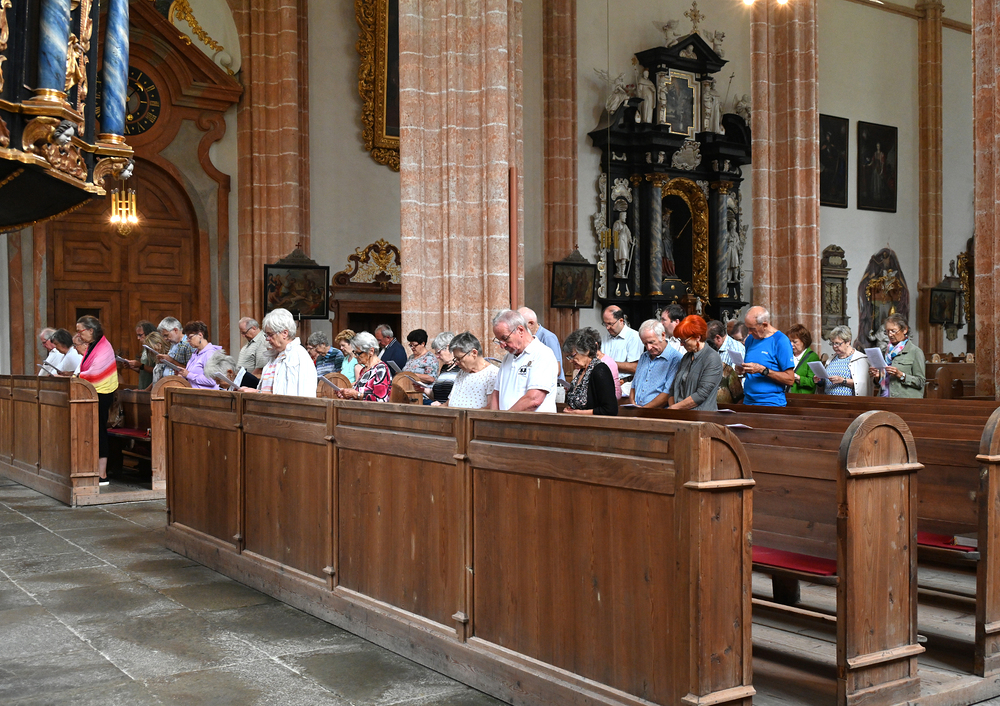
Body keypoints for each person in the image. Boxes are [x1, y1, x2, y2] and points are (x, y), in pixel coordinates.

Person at [489, 309, 559, 412]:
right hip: (506, 421)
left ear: (520, 330)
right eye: (499, 341)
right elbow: (496, 393)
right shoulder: (508, 358)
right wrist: (494, 418)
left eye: (505, 339)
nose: (502, 345)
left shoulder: (542, 354)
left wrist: (506, 418)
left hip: (531, 421)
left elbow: (534, 399)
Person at [75, 316, 118, 485]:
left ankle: (102, 474)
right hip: (92, 392)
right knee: (92, 430)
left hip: (102, 393)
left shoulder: (104, 346)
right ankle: (92, 468)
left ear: (91, 330)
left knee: (99, 431)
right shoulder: (93, 345)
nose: (79, 335)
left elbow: (96, 373)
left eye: (80, 331)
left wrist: (77, 377)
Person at [736, 306, 795, 406]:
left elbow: (790, 379)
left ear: (764, 325)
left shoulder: (781, 341)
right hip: (748, 401)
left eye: (752, 329)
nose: (749, 332)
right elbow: (753, 372)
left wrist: (763, 370)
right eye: (747, 328)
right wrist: (743, 370)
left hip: (770, 403)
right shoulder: (750, 339)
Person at [253, 308, 317, 397]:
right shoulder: (275, 356)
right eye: (266, 335)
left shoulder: (298, 355)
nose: (267, 339)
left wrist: (256, 393)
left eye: (270, 335)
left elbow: (296, 395)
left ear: (285, 333)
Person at [668, 316, 724, 411]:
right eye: (680, 340)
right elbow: (674, 388)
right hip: (679, 412)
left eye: (684, 341)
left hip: (701, 415)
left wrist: (674, 408)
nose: (681, 344)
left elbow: (701, 394)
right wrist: (673, 408)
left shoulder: (712, 358)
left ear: (698, 337)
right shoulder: (687, 357)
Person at [561, 328, 618, 416]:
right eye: (568, 357)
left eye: (572, 356)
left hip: (594, 423)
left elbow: (610, 409)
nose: (570, 361)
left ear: (586, 351)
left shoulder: (600, 370)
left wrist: (578, 413)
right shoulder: (582, 371)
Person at [869, 314, 926, 398]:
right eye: (887, 331)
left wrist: (901, 375)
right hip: (883, 398)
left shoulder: (915, 352)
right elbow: (881, 384)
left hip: (904, 401)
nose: (890, 334)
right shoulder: (885, 352)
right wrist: (878, 377)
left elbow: (920, 382)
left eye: (893, 331)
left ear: (905, 330)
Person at [629, 319, 682, 409]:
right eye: (645, 344)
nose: (648, 348)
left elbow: (668, 394)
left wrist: (644, 409)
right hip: (637, 411)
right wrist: (633, 403)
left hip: (658, 412)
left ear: (663, 335)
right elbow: (634, 385)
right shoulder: (644, 356)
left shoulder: (675, 359)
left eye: (651, 342)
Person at [443, 332, 499, 409]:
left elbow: (491, 408)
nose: (456, 363)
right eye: (455, 359)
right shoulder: (462, 373)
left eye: (459, 358)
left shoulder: (493, 374)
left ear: (474, 353)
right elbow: (450, 402)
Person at [335, 331, 391, 401]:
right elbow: (358, 391)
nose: (355, 356)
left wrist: (356, 395)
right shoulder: (365, 369)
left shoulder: (380, 369)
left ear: (371, 351)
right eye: (354, 353)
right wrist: (346, 393)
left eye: (358, 353)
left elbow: (380, 400)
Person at [821, 325, 871, 397]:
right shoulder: (831, 359)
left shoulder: (860, 359)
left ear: (848, 342)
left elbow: (863, 384)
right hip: (829, 400)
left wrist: (843, 380)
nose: (834, 346)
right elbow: (826, 382)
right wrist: (820, 381)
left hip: (849, 401)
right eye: (832, 343)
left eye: (837, 343)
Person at [518, 307, 564, 380]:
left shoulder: (548, 337)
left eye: (521, 326)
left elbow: (556, 369)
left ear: (531, 323)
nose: (518, 330)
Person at [177, 321, 223, 389]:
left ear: (200, 335)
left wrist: (189, 375)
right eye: (187, 338)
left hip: (205, 394)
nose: (188, 340)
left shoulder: (210, 353)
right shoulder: (196, 353)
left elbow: (212, 380)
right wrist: (183, 375)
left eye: (190, 337)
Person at [601, 305, 643, 377]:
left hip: (625, 382)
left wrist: (609, 363)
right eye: (605, 324)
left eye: (610, 324)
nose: (607, 327)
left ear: (621, 321)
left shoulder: (634, 337)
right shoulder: (604, 338)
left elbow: (635, 367)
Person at [786, 324, 821, 394]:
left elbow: (812, 382)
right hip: (786, 395)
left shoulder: (812, 357)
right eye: (789, 341)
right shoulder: (788, 355)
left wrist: (796, 377)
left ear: (804, 341)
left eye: (795, 342)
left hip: (802, 396)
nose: (791, 344)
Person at [429, 332, 459, 404]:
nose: (437, 357)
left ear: (449, 347)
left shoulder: (461, 367)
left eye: (439, 352)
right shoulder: (444, 368)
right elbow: (438, 396)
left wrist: (443, 405)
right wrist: (423, 389)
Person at [125, 321, 157, 389]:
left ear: (148, 333)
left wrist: (140, 365)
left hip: (152, 389)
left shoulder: (156, 348)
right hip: (143, 386)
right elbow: (144, 371)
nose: (138, 338)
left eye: (140, 335)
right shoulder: (145, 348)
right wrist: (132, 366)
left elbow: (157, 371)